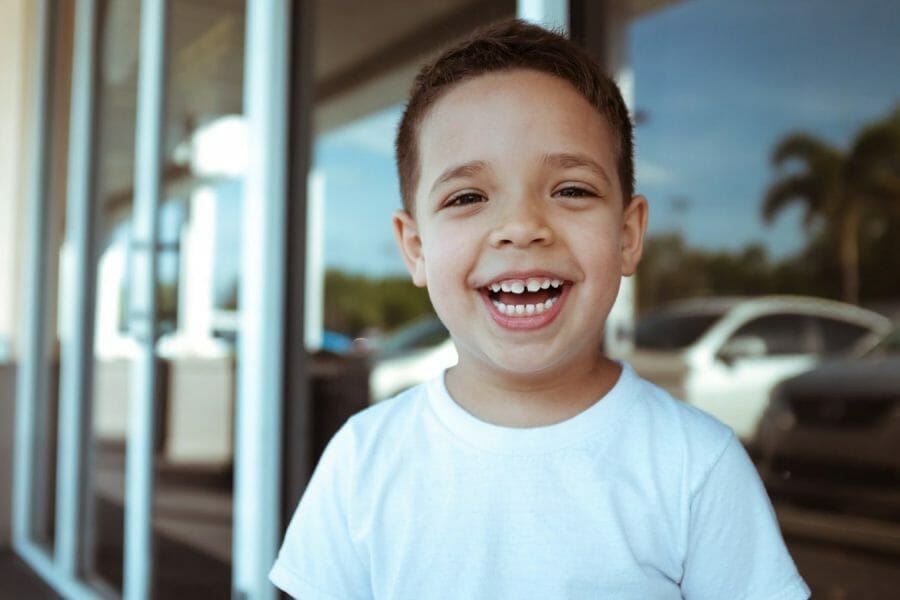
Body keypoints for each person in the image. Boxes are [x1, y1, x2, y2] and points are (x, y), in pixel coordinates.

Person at [270, 19, 810, 599]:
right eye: (468, 197)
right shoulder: (363, 458)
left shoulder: (695, 463)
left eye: (571, 189)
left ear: (628, 236)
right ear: (417, 248)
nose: (522, 227)